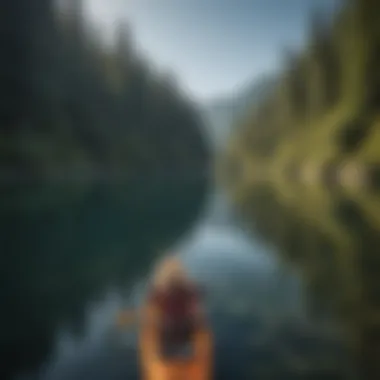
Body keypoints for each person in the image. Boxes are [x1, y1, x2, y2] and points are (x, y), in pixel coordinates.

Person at [147, 255, 205, 347]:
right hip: (180, 329)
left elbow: (153, 312)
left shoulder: (159, 293)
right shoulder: (190, 291)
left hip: (171, 330)